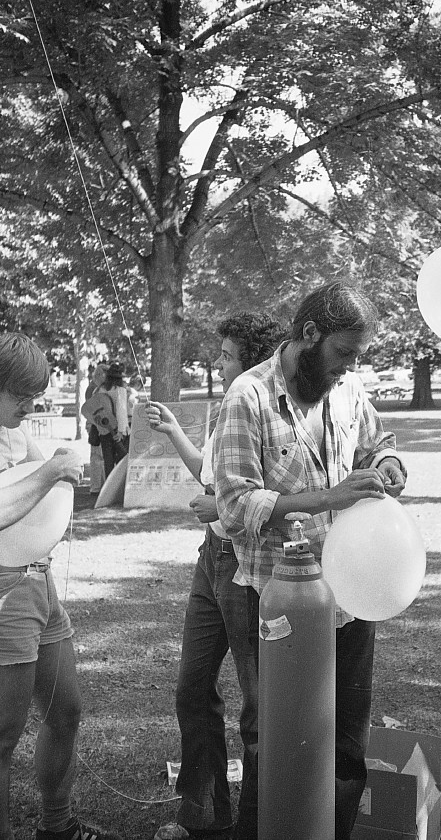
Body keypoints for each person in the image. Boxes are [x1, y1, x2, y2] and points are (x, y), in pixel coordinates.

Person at [213, 281, 407, 840]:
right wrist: (329, 498)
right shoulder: (247, 397)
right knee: (276, 740)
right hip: (278, 600)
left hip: (350, 595)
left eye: (358, 357)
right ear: (309, 334)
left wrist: (390, 463)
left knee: (346, 745)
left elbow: (378, 438)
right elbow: (233, 504)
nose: (350, 367)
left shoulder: (348, 391)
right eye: (344, 353)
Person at [146, 314, 286, 840]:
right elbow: (210, 478)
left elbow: (249, 497)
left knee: (257, 702)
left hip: (246, 566)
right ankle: (206, 813)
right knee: (191, 687)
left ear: (250, 358)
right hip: (212, 559)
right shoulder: (228, 409)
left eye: (227, 354)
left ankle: (256, 822)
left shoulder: (264, 409)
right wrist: (176, 432)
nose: (219, 362)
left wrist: (218, 507)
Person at [0, 333, 118, 840]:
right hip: (5, 594)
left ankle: (57, 825)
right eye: (19, 395)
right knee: (2, 739)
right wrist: (52, 471)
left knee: (65, 710)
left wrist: (62, 472)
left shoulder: (12, 432)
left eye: (34, 394)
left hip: (38, 582)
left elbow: (40, 478)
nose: (30, 405)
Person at [96, 362, 136, 478]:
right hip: (118, 431)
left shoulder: (100, 390)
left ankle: (108, 491)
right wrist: (121, 431)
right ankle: (119, 491)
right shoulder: (119, 390)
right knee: (121, 463)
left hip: (104, 430)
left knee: (108, 463)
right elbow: (121, 412)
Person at [84, 365, 107, 495]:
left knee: (97, 456)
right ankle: (97, 486)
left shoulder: (94, 388)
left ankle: (97, 486)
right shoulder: (94, 389)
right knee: (98, 456)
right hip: (96, 424)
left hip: (96, 424)